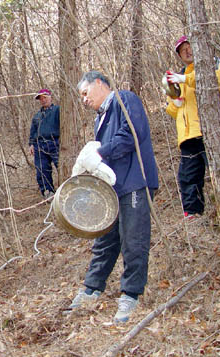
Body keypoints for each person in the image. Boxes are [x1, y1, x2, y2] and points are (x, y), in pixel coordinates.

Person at [67, 71, 159, 323]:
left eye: (85, 93)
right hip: (113, 190)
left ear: (99, 83)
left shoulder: (124, 100)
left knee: (133, 240)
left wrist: (101, 152)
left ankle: (130, 295)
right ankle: (91, 288)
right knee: (105, 240)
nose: (84, 100)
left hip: (135, 183)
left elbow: (131, 135)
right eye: (81, 97)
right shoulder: (100, 120)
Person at [165, 35, 220, 218]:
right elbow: (174, 109)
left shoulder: (214, 63)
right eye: (182, 50)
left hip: (211, 132)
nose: (187, 51)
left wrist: (184, 79)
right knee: (188, 177)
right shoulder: (182, 75)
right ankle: (193, 214)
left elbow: (214, 80)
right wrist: (174, 101)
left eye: (189, 46)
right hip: (187, 136)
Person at [28, 89, 60, 198]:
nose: (43, 100)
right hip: (40, 145)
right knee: (42, 170)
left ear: (50, 97)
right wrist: (31, 144)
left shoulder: (58, 110)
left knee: (60, 166)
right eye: (41, 98)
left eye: (45, 97)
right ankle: (48, 193)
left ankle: (66, 190)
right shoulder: (37, 116)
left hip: (55, 143)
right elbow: (33, 132)